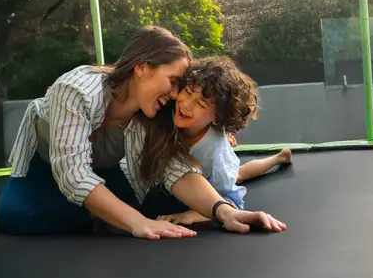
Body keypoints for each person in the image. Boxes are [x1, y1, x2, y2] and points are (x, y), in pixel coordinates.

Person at [0, 26, 285, 239]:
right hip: (47, 167)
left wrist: (225, 212)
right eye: (173, 81)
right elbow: (74, 175)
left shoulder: (149, 113)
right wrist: (135, 221)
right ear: (143, 68)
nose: (175, 95)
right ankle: (99, 212)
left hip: (102, 169)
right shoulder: (75, 92)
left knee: (153, 200)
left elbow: (172, 167)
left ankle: (101, 212)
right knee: (17, 214)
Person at [120, 55, 291, 226]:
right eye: (187, 92)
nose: (186, 105)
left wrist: (194, 214)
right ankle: (279, 156)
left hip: (211, 172)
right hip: (181, 176)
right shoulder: (168, 106)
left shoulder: (214, 151)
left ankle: (278, 158)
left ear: (217, 117)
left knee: (237, 175)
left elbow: (233, 202)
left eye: (201, 104)